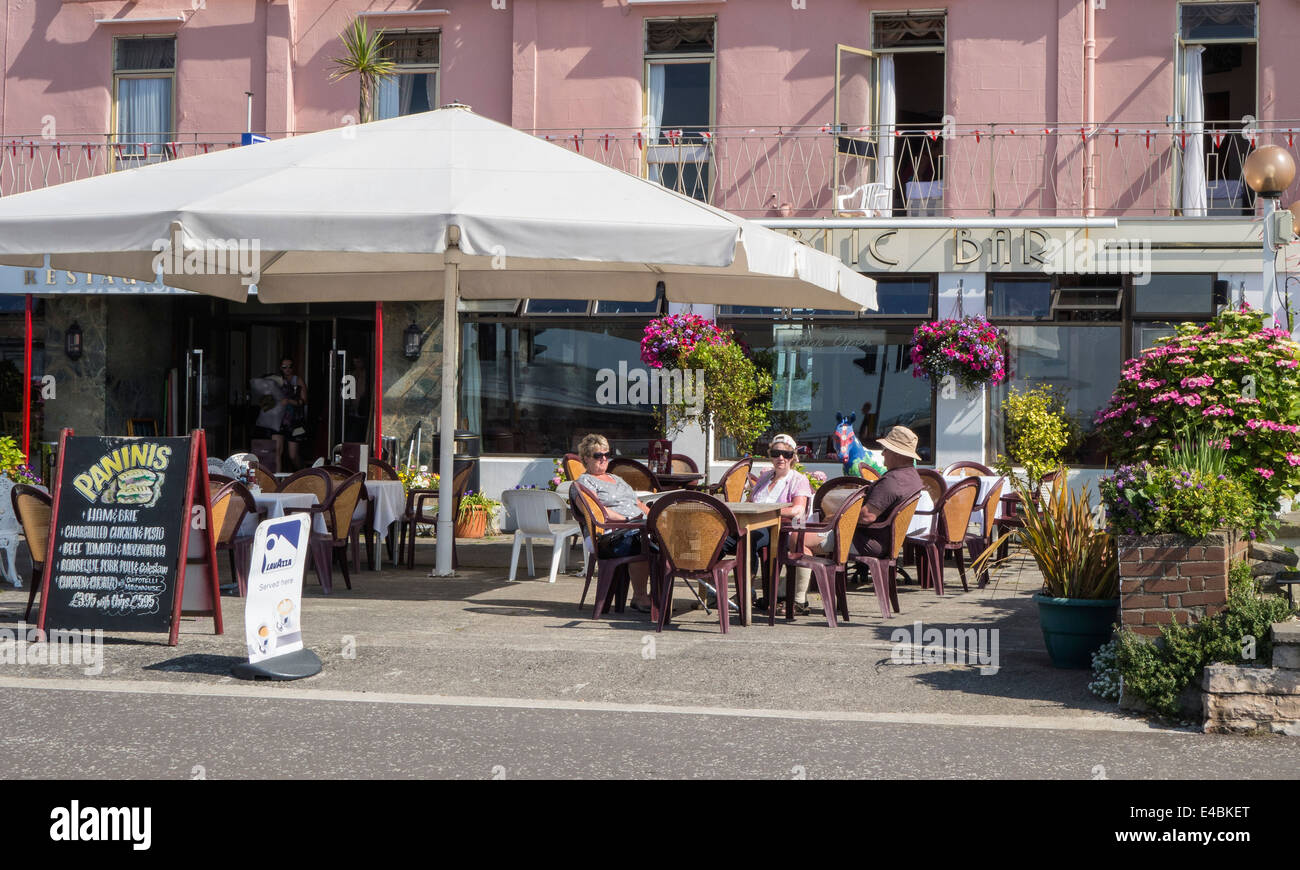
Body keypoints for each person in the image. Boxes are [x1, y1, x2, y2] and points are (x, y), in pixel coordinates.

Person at [574, 433, 654, 612]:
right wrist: (628, 520)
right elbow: (597, 513)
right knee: (643, 541)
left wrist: (655, 519)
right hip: (606, 536)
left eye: (606, 454)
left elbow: (638, 503)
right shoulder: (583, 483)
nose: (603, 459)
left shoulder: (616, 478)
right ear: (586, 458)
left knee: (672, 537)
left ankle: (661, 594)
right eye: (597, 455)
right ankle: (640, 597)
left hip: (633, 527)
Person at [745, 433, 814, 615]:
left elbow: (797, 510)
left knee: (748, 539)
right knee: (726, 536)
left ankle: (747, 591)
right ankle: (715, 588)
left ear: (793, 457)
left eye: (786, 454)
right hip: (755, 524)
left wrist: (768, 511)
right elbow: (751, 503)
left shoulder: (798, 480)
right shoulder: (765, 477)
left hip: (780, 529)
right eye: (776, 454)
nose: (781, 458)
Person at [278, 357, 307, 472]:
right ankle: (277, 481)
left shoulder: (297, 380)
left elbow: (304, 400)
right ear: (281, 368)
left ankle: (304, 473)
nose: (287, 369)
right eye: (284, 367)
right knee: (277, 452)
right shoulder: (278, 380)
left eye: (290, 366)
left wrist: (290, 401)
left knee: (293, 455)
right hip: (279, 420)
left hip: (295, 421)